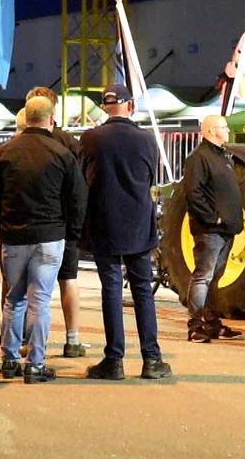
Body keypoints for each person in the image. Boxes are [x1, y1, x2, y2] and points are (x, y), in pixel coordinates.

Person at [0, 95, 88, 383]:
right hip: (50, 235)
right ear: (51, 118)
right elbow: (77, 198)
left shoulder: (1, 152)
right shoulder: (62, 154)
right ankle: (35, 363)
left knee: (14, 299)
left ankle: (9, 360)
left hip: (14, 236)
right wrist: (72, 233)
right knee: (40, 302)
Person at [80, 84, 172, 380]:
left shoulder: (91, 138)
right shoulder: (146, 140)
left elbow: (84, 179)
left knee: (111, 288)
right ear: (130, 106)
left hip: (105, 222)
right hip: (138, 224)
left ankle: (114, 360)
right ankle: (152, 359)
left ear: (105, 106)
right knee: (143, 289)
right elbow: (149, 179)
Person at [27, 86, 87, 357]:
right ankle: (72, 339)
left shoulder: (21, 143)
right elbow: (79, 189)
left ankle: (25, 340)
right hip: (63, 224)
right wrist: (75, 227)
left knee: (31, 287)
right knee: (68, 280)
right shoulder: (70, 143)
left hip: (31, 224)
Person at [180, 114, 244, 343]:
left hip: (226, 229)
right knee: (203, 277)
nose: (228, 130)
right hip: (211, 230)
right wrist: (213, 218)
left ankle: (212, 322)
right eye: (224, 127)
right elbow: (193, 192)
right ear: (211, 131)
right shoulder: (199, 158)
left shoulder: (223, 156)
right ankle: (195, 326)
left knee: (214, 277)